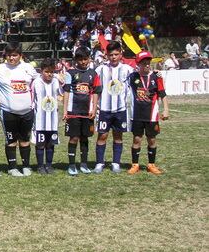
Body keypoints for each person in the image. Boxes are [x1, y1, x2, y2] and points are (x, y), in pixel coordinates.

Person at [0, 42, 38, 176]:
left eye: (14, 55)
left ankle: (26, 166)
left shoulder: (28, 68)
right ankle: (12, 167)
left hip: (27, 111)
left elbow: (39, 82)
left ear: (20, 55)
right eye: (9, 55)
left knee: (25, 140)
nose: (11, 58)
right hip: (8, 112)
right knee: (11, 140)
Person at [93, 42, 134, 173]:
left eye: (116, 54)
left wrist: (155, 72)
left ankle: (116, 162)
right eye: (111, 55)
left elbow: (139, 79)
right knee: (102, 136)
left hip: (120, 109)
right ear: (107, 56)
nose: (114, 57)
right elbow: (93, 85)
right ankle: (99, 163)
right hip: (104, 109)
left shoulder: (128, 69)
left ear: (121, 54)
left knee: (118, 136)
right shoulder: (101, 69)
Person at [127, 51, 169, 175]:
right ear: (138, 64)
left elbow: (162, 94)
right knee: (137, 139)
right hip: (137, 115)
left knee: (152, 139)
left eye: (148, 63)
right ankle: (135, 164)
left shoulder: (156, 77)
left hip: (152, 115)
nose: (146, 65)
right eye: (143, 63)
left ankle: (151, 164)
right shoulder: (132, 77)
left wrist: (166, 109)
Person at [62, 47, 101, 175]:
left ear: (89, 59)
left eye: (86, 59)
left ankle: (84, 164)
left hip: (87, 112)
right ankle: (72, 165)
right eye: (80, 59)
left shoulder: (94, 74)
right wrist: (65, 110)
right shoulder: (70, 73)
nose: (83, 62)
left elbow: (96, 92)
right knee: (74, 138)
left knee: (85, 138)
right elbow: (66, 92)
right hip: (73, 111)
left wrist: (94, 109)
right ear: (76, 60)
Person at [32, 58, 62, 174]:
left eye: (51, 72)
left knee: (50, 143)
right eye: (46, 72)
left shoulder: (56, 81)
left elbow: (62, 93)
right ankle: (40, 166)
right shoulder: (36, 82)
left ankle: (49, 165)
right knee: (40, 144)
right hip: (40, 119)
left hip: (52, 118)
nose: (49, 74)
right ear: (41, 71)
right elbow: (32, 98)